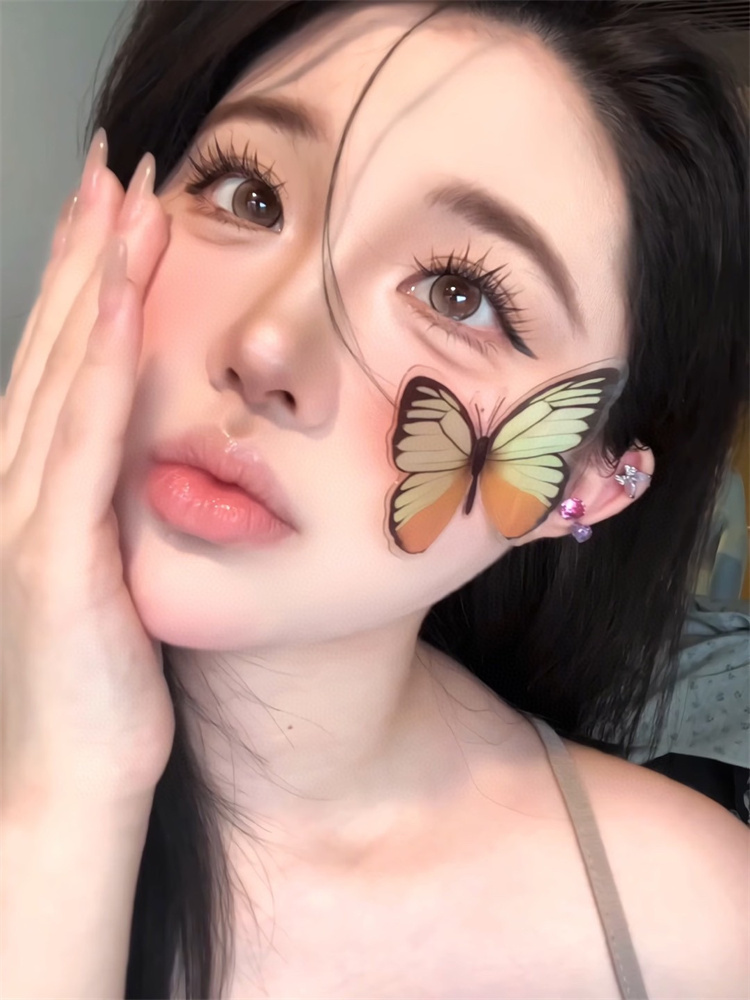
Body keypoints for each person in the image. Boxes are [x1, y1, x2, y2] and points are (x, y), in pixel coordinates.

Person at [1, 1, 747, 998]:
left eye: (459, 295)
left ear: (585, 484)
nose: (267, 345)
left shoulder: (690, 925)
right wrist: (65, 790)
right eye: (249, 193)